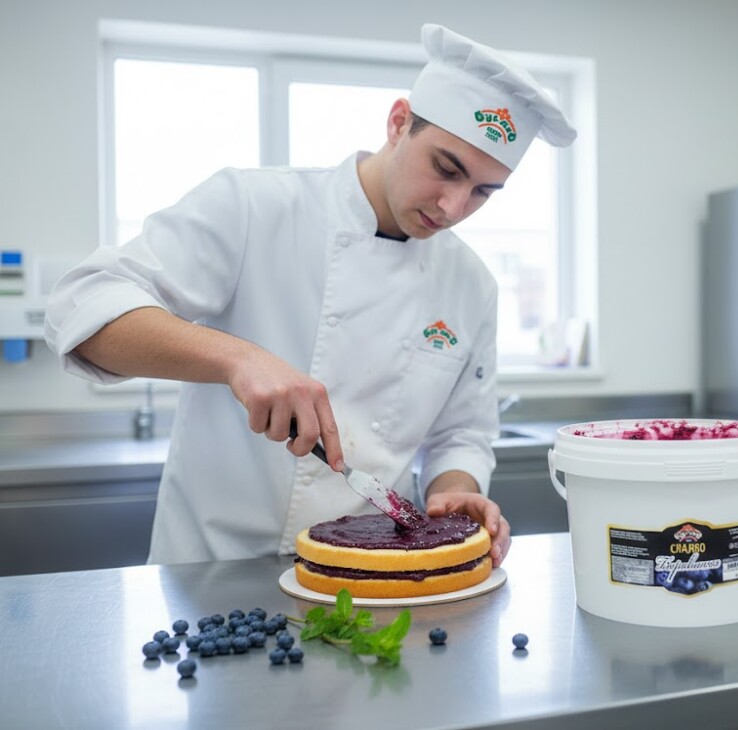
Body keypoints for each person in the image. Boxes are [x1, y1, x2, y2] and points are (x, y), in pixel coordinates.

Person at [44, 24, 576, 567]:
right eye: (445, 168)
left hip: (371, 574)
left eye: (484, 191)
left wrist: (455, 491)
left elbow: (461, 433)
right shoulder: (254, 206)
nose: (454, 207)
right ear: (398, 123)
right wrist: (238, 358)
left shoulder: (471, 283)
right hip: (214, 567)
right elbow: (83, 305)